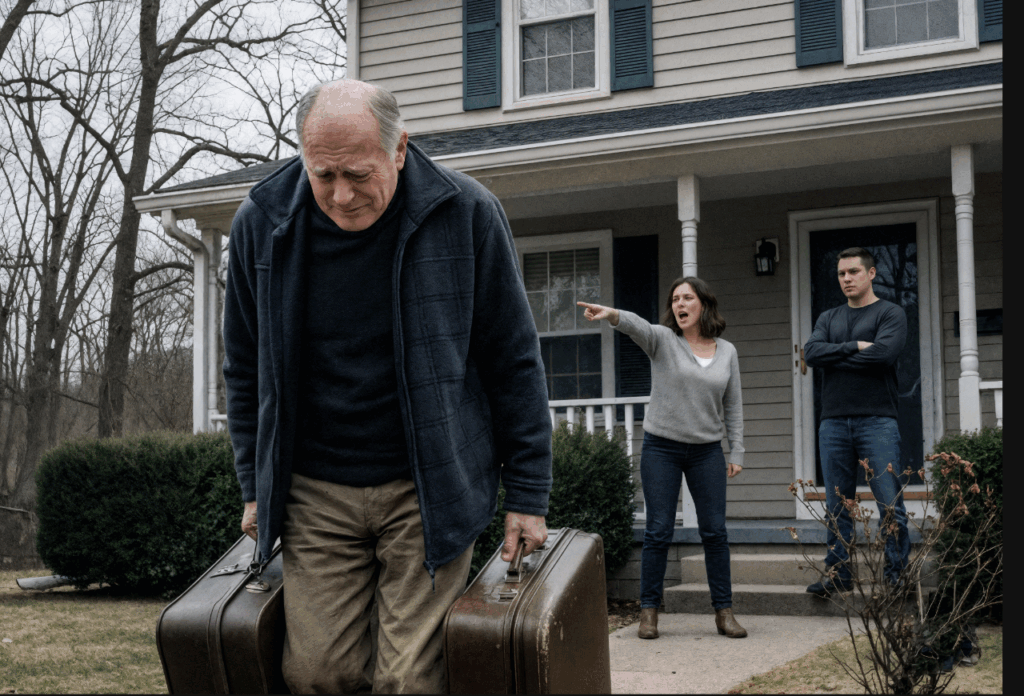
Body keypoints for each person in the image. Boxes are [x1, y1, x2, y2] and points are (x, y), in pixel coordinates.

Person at [222, 79, 553, 694]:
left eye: (357, 174)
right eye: (323, 175)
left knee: (408, 681)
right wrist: (253, 486)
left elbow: (513, 360)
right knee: (317, 675)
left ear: (399, 149)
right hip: (315, 491)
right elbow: (244, 367)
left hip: (428, 488)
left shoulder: (466, 213)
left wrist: (529, 492)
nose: (341, 195)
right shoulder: (262, 223)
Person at [578, 275, 747, 640]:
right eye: (675, 299)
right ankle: (649, 613)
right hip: (662, 449)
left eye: (687, 298)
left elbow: (733, 404)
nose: (679, 304)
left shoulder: (727, 352)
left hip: (706, 451)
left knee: (715, 532)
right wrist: (612, 314)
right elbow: (637, 326)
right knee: (658, 531)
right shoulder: (663, 341)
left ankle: (724, 612)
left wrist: (737, 449)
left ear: (704, 304)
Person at [802, 246, 910, 597]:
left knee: (889, 502)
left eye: (853, 272)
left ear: (871, 273)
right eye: (841, 274)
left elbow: (884, 355)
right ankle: (839, 574)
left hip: (877, 421)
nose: (846, 279)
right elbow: (811, 353)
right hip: (833, 422)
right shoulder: (828, 317)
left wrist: (836, 357)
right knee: (838, 504)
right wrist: (855, 347)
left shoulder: (890, 313)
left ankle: (896, 577)